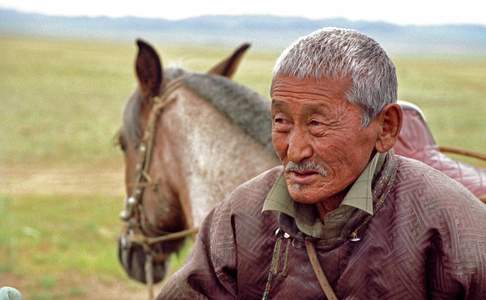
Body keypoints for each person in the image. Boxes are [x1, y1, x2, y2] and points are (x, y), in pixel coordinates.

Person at [157, 28, 486, 299]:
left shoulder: (457, 229)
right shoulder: (238, 218)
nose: (295, 150)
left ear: (385, 127)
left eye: (317, 125)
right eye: (281, 121)